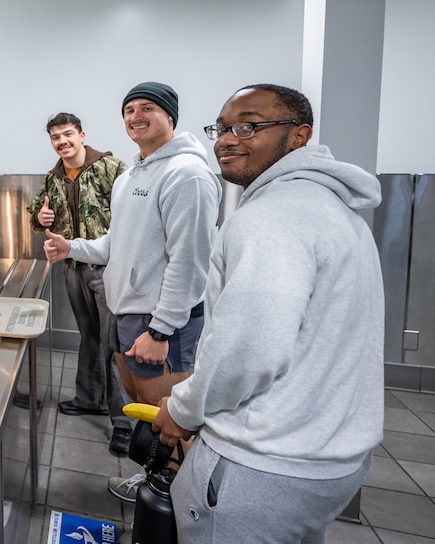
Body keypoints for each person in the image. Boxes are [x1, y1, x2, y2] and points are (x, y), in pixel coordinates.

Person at [152, 84, 383, 543]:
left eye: (248, 125)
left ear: (299, 136)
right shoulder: (333, 209)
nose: (226, 139)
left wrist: (183, 408)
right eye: (221, 127)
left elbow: (247, 348)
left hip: (263, 462)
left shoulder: (270, 217)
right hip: (327, 456)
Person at [43, 82, 220, 503]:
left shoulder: (187, 174)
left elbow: (190, 261)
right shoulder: (133, 175)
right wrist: (72, 247)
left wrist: (160, 331)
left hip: (159, 320)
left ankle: (182, 501)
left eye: (148, 108)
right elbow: (113, 243)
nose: (136, 116)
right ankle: (157, 485)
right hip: (126, 312)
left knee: (170, 418)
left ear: (170, 116)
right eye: (129, 110)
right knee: (145, 408)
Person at [26, 112, 132, 455]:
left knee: (114, 342)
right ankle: (90, 399)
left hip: (108, 267)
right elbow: (34, 214)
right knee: (89, 336)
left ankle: (125, 425)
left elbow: (136, 212)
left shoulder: (112, 168)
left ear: (82, 135)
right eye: (56, 137)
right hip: (73, 267)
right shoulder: (53, 177)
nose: (62, 142)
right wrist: (38, 218)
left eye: (68, 134)